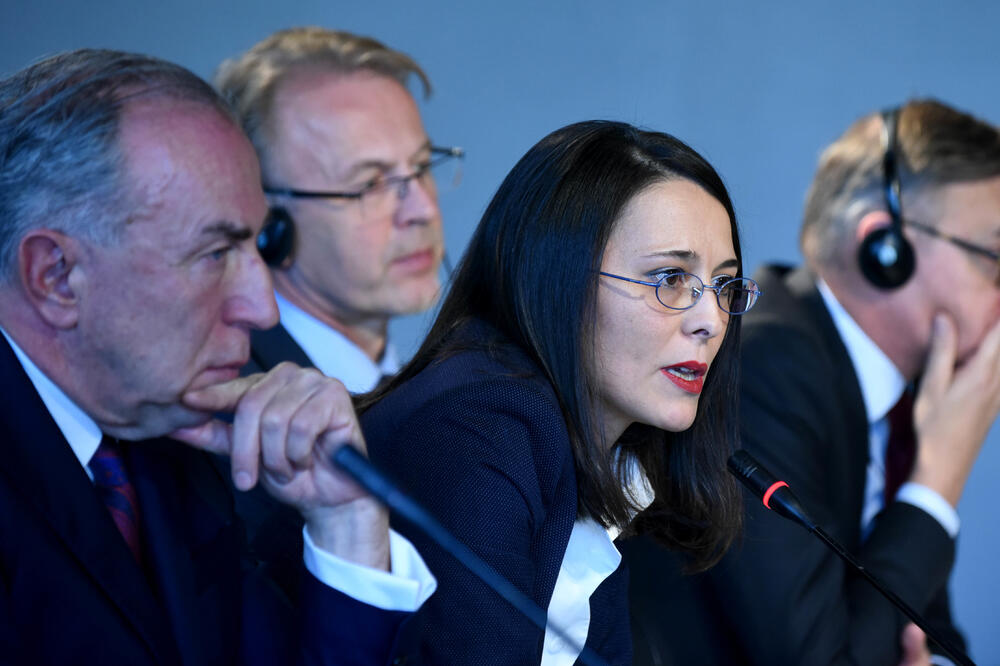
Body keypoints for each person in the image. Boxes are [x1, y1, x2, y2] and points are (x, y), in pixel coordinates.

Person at [0, 49, 435, 665]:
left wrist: (344, 521)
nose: (263, 310)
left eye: (256, 247)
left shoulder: (171, 448)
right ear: (57, 276)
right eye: (214, 254)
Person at [358, 120, 761, 664]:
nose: (711, 320)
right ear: (559, 278)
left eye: (724, 286)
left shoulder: (594, 452)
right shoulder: (476, 424)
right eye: (670, 280)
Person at [624, 99, 1000, 665]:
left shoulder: (902, 397)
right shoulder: (764, 367)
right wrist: (935, 485)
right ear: (885, 250)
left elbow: (924, 635)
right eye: (994, 257)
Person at [215, 27, 460, 392]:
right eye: (370, 184)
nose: (422, 209)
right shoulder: (229, 414)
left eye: (422, 166)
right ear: (265, 224)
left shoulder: (445, 392)